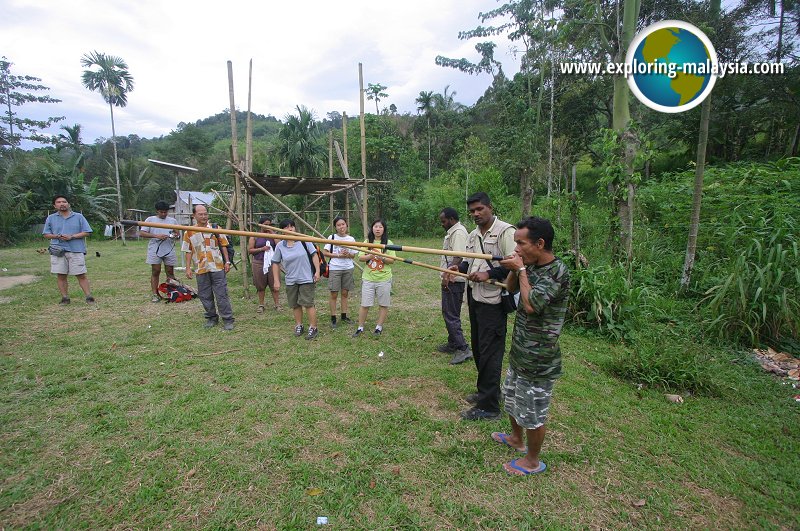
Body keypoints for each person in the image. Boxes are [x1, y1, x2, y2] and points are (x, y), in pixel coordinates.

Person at [493, 217, 570, 475]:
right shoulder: (529, 264)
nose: (516, 249)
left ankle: (533, 460)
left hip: (540, 357)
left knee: (534, 411)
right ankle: (516, 439)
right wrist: (517, 268)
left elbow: (531, 305)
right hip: (520, 350)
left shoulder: (558, 271)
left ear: (539, 243)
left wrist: (523, 270)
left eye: (521, 244)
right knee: (512, 398)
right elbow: (509, 289)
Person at [452, 192, 516, 421]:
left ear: (490, 207)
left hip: (494, 301)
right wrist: (458, 269)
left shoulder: (505, 232)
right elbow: (469, 260)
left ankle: (490, 408)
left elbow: (514, 264)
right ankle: (486, 392)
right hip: (475, 297)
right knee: (479, 348)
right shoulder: (472, 235)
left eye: (480, 209)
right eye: (472, 211)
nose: (476, 214)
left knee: (491, 352)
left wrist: (488, 273)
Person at [181, 204, 235, 331]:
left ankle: (227, 319)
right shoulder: (188, 231)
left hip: (217, 266)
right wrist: (188, 268)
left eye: (205, 213)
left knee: (221, 294)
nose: (204, 216)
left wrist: (227, 262)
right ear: (194, 215)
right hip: (200, 267)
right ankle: (211, 317)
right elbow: (188, 251)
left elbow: (223, 246)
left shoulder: (216, 228)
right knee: (205, 295)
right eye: (200, 214)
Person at [270, 220, 320, 340]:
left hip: (306, 278)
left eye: (292, 226)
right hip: (291, 280)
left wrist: (317, 271)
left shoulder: (304, 241)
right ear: (282, 231)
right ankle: (299, 325)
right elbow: (275, 263)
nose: (290, 229)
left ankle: (313, 327)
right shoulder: (280, 246)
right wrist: (276, 280)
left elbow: (314, 255)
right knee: (295, 304)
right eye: (287, 227)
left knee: (308, 303)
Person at [42, 195, 95, 305]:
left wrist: (72, 236)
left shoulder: (79, 217)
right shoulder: (51, 218)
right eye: (59, 202)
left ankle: (89, 297)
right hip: (58, 251)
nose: (62, 204)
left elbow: (87, 232)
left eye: (64, 201)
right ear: (55, 205)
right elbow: (46, 234)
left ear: (68, 204)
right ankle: (65, 298)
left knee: (81, 274)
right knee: (61, 275)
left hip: (76, 250)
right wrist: (57, 236)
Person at [437, 207, 472, 364]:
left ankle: (462, 348)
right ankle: (453, 343)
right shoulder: (454, 231)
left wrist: (448, 275)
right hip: (451, 278)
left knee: (451, 315)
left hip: (454, 281)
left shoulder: (458, 232)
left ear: (451, 219)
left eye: (444, 221)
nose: (442, 224)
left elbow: (458, 256)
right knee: (449, 312)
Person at [353, 219, 396, 337]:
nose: (378, 229)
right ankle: (360, 327)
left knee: (383, 304)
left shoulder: (389, 243)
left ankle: (379, 327)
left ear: (384, 229)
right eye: (376, 226)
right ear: (372, 228)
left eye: (380, 227)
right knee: (365, 304)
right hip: (368, 278)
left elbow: (392, 260)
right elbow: (360, 258)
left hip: (384, 278)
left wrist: (381, 257)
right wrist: (371, 255)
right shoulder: (367, 242)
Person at [139, 200, 179, 302]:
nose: (164, 214)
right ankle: (155, 294)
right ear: (157, 211)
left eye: (165, 212)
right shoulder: (150, 219)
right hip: (155, 249)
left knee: (170, 271)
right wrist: (156, 236)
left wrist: (174, 236)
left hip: (169, 249)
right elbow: (142, 233)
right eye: (161, 212)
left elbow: (177, 234)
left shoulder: (172, 221)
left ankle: (172, 292)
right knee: (156, 271)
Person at [322, 216, 356, 328]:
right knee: (334, 293)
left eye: (343, 224)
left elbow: (354, 255)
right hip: (335, 268)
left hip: (348, 268)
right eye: (338, 225)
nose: (341, 227)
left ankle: (344, 315)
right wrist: (338, 255)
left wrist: (348, 254)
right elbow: (325, 252)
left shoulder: (351, 239)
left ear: (346, 225)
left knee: (345, 293)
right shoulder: (332, 237)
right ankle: (333, 317)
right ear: (335, 227)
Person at [248, 215, 281, 313]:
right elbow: (250, 250)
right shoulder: (254, 236)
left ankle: (277, 304)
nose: (268, 226)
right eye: (266, 224)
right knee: (260, 285)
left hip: (273, 263)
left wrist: (273, 233)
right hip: (259, 262)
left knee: (274, 284)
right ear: (261, 225)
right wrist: (261, 249)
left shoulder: (273, 235)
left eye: (269, 224)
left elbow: (279, 245)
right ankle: (261, 305)